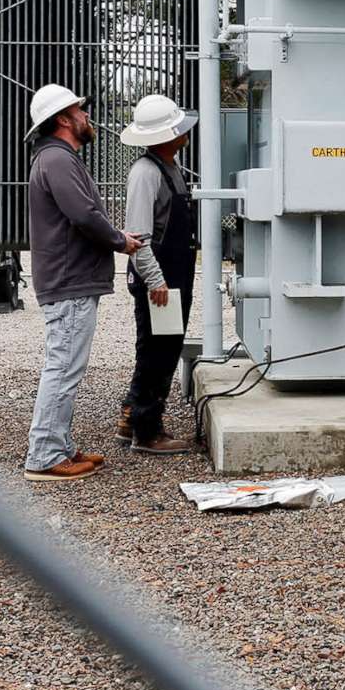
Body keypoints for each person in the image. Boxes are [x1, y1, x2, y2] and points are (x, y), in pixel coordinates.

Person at [22, 84, 142, 483]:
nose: (87, 116)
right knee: (63, 368)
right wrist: (119, 240)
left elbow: (83, 213)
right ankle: (44, 454)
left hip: (68, 277)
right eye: (80, 110)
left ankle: (60, 444)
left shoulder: (54, 158)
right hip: (70, 278)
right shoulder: (57, 159)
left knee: (66, 366)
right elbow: (83, 214)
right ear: (63, 119)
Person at [116, 92, 199, 455]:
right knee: (157, 351)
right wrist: (156, 281)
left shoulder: (169, 168)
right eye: (178, 128)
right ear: (165, 137)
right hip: (161, 280)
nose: (185, 132)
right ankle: (147, 431)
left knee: (160, 347)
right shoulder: (146, 174)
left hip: (172, 275)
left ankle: (131, 417)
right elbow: (139, 236)